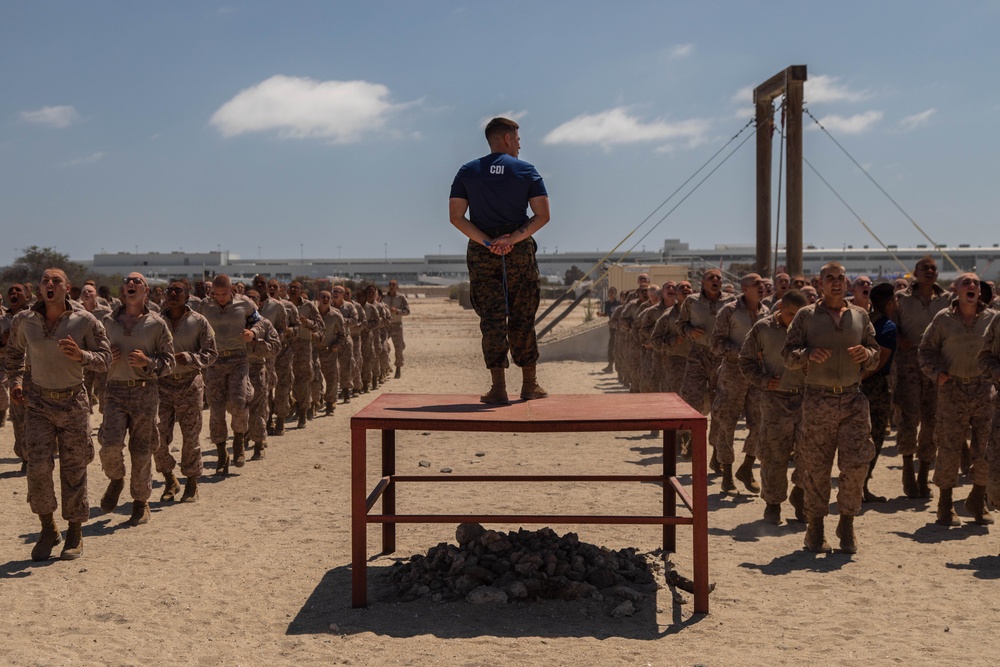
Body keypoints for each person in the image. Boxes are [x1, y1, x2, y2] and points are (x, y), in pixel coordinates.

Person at [6, 268, 112, 560]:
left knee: (74, 469)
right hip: (38, 403)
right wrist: (15, 382)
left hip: (73, 403)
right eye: (45, 281)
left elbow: (105, 359)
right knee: (37, 468)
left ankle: (75, 532)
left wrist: (82, 356)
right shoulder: (24, 320)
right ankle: (47, 528)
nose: (49, 285)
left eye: (56, 281)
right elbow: (13, 355)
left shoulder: (85, 321)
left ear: (68, 289)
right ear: (39, 289)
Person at [449, 116, 551, 404]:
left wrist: (487, 242)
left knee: (491, 319)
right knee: (523, 317)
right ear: (507, 138)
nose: (520, 144)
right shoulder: (526, 170)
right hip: (517, 250)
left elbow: (456, 217)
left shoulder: (467, 172)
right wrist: (511, 240)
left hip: (483, 251)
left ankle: (498, 388)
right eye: (518, 139)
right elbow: (542, 214)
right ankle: (530, 385)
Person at [782, 261, 880, 554]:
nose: (836, 283)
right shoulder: (806, 316)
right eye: (830, 278)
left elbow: (875, 352)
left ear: (846, 282)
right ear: (821, 283)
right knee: (816, 466)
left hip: (853, 399)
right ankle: (815, 528)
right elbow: (787, 355)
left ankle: (847, 522)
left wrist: (867, 354)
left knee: (856, 464)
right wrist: (808, 354)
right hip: (818, 400)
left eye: (840, 278)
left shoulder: (860, 315)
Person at [97, 273, 176, 526]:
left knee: (141, 451)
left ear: (146, 291)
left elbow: (170, 363)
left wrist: (148, 362)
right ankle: (116, 479)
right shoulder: (108, 321)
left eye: (137, 281)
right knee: (110, 445)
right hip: (115, 391)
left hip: (144, 391)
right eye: (127, 280)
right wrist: (106, 356)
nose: (131, 284)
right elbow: (94, 357)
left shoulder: (157, 324)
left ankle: (141, 502)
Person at [919, 274, 995, 526]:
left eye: (975, 283)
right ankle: (945, 503)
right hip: (952, 390)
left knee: (987, 448)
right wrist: (935, 371)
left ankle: (977, 497)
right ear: (957, 290)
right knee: (949, 448)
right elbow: (926, 350)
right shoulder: (943, 319)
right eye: (966, 283)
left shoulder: (992, 319)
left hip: (985, 390)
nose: (972, 286)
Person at [739, 289, 808, 524]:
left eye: (799, 315)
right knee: (774, 454)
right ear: (780, 309)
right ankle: (773, 503)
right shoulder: (763, 328)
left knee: (810, 453)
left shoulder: (811, 328)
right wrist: (763, 380)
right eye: (790, 315)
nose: (794, 320)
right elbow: (745, 360)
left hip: (806, 399)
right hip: (775, 399)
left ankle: (800, 494)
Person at [197, 274, 267, 475]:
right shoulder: (204, 306)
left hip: (238, 359)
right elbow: (194, 324)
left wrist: (253, 333)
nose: (220, 297)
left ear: (232, 291)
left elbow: (260, 322)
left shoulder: (244, 303)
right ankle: (221, 453)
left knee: (239, 401)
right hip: (214, 360)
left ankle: (238, 441)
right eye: (216, 294)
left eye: (224, 293)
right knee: (216, 408)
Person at [155, 279, 218, 502]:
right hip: (162, 386)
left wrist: (191, 358)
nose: (172, 294)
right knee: (158, 438)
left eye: (178, 291)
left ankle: (192, 481)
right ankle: (169, 478)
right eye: (169, 291)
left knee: (191, 438)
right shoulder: (155, 321)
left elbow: (211, 354)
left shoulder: (199, 322)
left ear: (187, 296)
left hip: (190, 385)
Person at [896, 257, 951, 498]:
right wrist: (899, 339)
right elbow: (889, 327)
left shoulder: (948, 300)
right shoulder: (901, 299)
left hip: (937, 366)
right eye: (924, 268)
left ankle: (923, 474)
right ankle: (908, 468)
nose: (929, 272)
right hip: (909, 363)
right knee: (909, 417)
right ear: (915, 273)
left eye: (933, 268)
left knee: (932, 419)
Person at [709, 273, 769, 493]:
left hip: (757, 375)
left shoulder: (766, 312)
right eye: (756, 284)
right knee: (727, 423)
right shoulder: (729, 311)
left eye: (762, 283)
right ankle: (727, 474)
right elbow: (715, 344)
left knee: (760, 422)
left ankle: (747, 466)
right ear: (744, 288)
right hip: (733, 373)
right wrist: (742, 352)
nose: (761, 286)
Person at [860, 282, 897, 503]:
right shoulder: (888, 327)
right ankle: (862, 486)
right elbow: (877, 362)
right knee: (874, 436)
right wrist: (858, 380)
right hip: (873, 387)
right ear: (891, 302)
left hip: (855, 382)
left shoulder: (864, 320)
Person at [244, 289, 281, 460]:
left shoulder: (265, 324)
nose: (251, 300)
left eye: (255, 298)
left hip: (257, 368)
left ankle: (258, 443)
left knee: (258, 408)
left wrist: (256, 342)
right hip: (237, 369)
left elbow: (275, 347)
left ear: (259, 304)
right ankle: (242, 434)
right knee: (237, 407)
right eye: (247, 298)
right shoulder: (233, 322)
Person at [316, 290, 348, 415]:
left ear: (331, 300)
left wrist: (337, 345)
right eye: (323, 296)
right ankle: (317, 400)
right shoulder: (313, 314)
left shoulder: (335, 315)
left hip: (329, 351)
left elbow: (342, 334)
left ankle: (330, 403)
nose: (325, 299)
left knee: (332, 379)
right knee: (314, 379)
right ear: (318, 298)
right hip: (314, 352)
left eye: (328, 297)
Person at [383, 280, 410, 379]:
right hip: (385, 325)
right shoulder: (383, 297)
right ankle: (386, 366)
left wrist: (397, 311)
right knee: (383, 347)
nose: (391, 286)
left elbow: (407, 311)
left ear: (397, 287)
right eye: (390, 284)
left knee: (399, 348)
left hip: (397, 325)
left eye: (393, 285)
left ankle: (398, 368)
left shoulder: (401, 298)